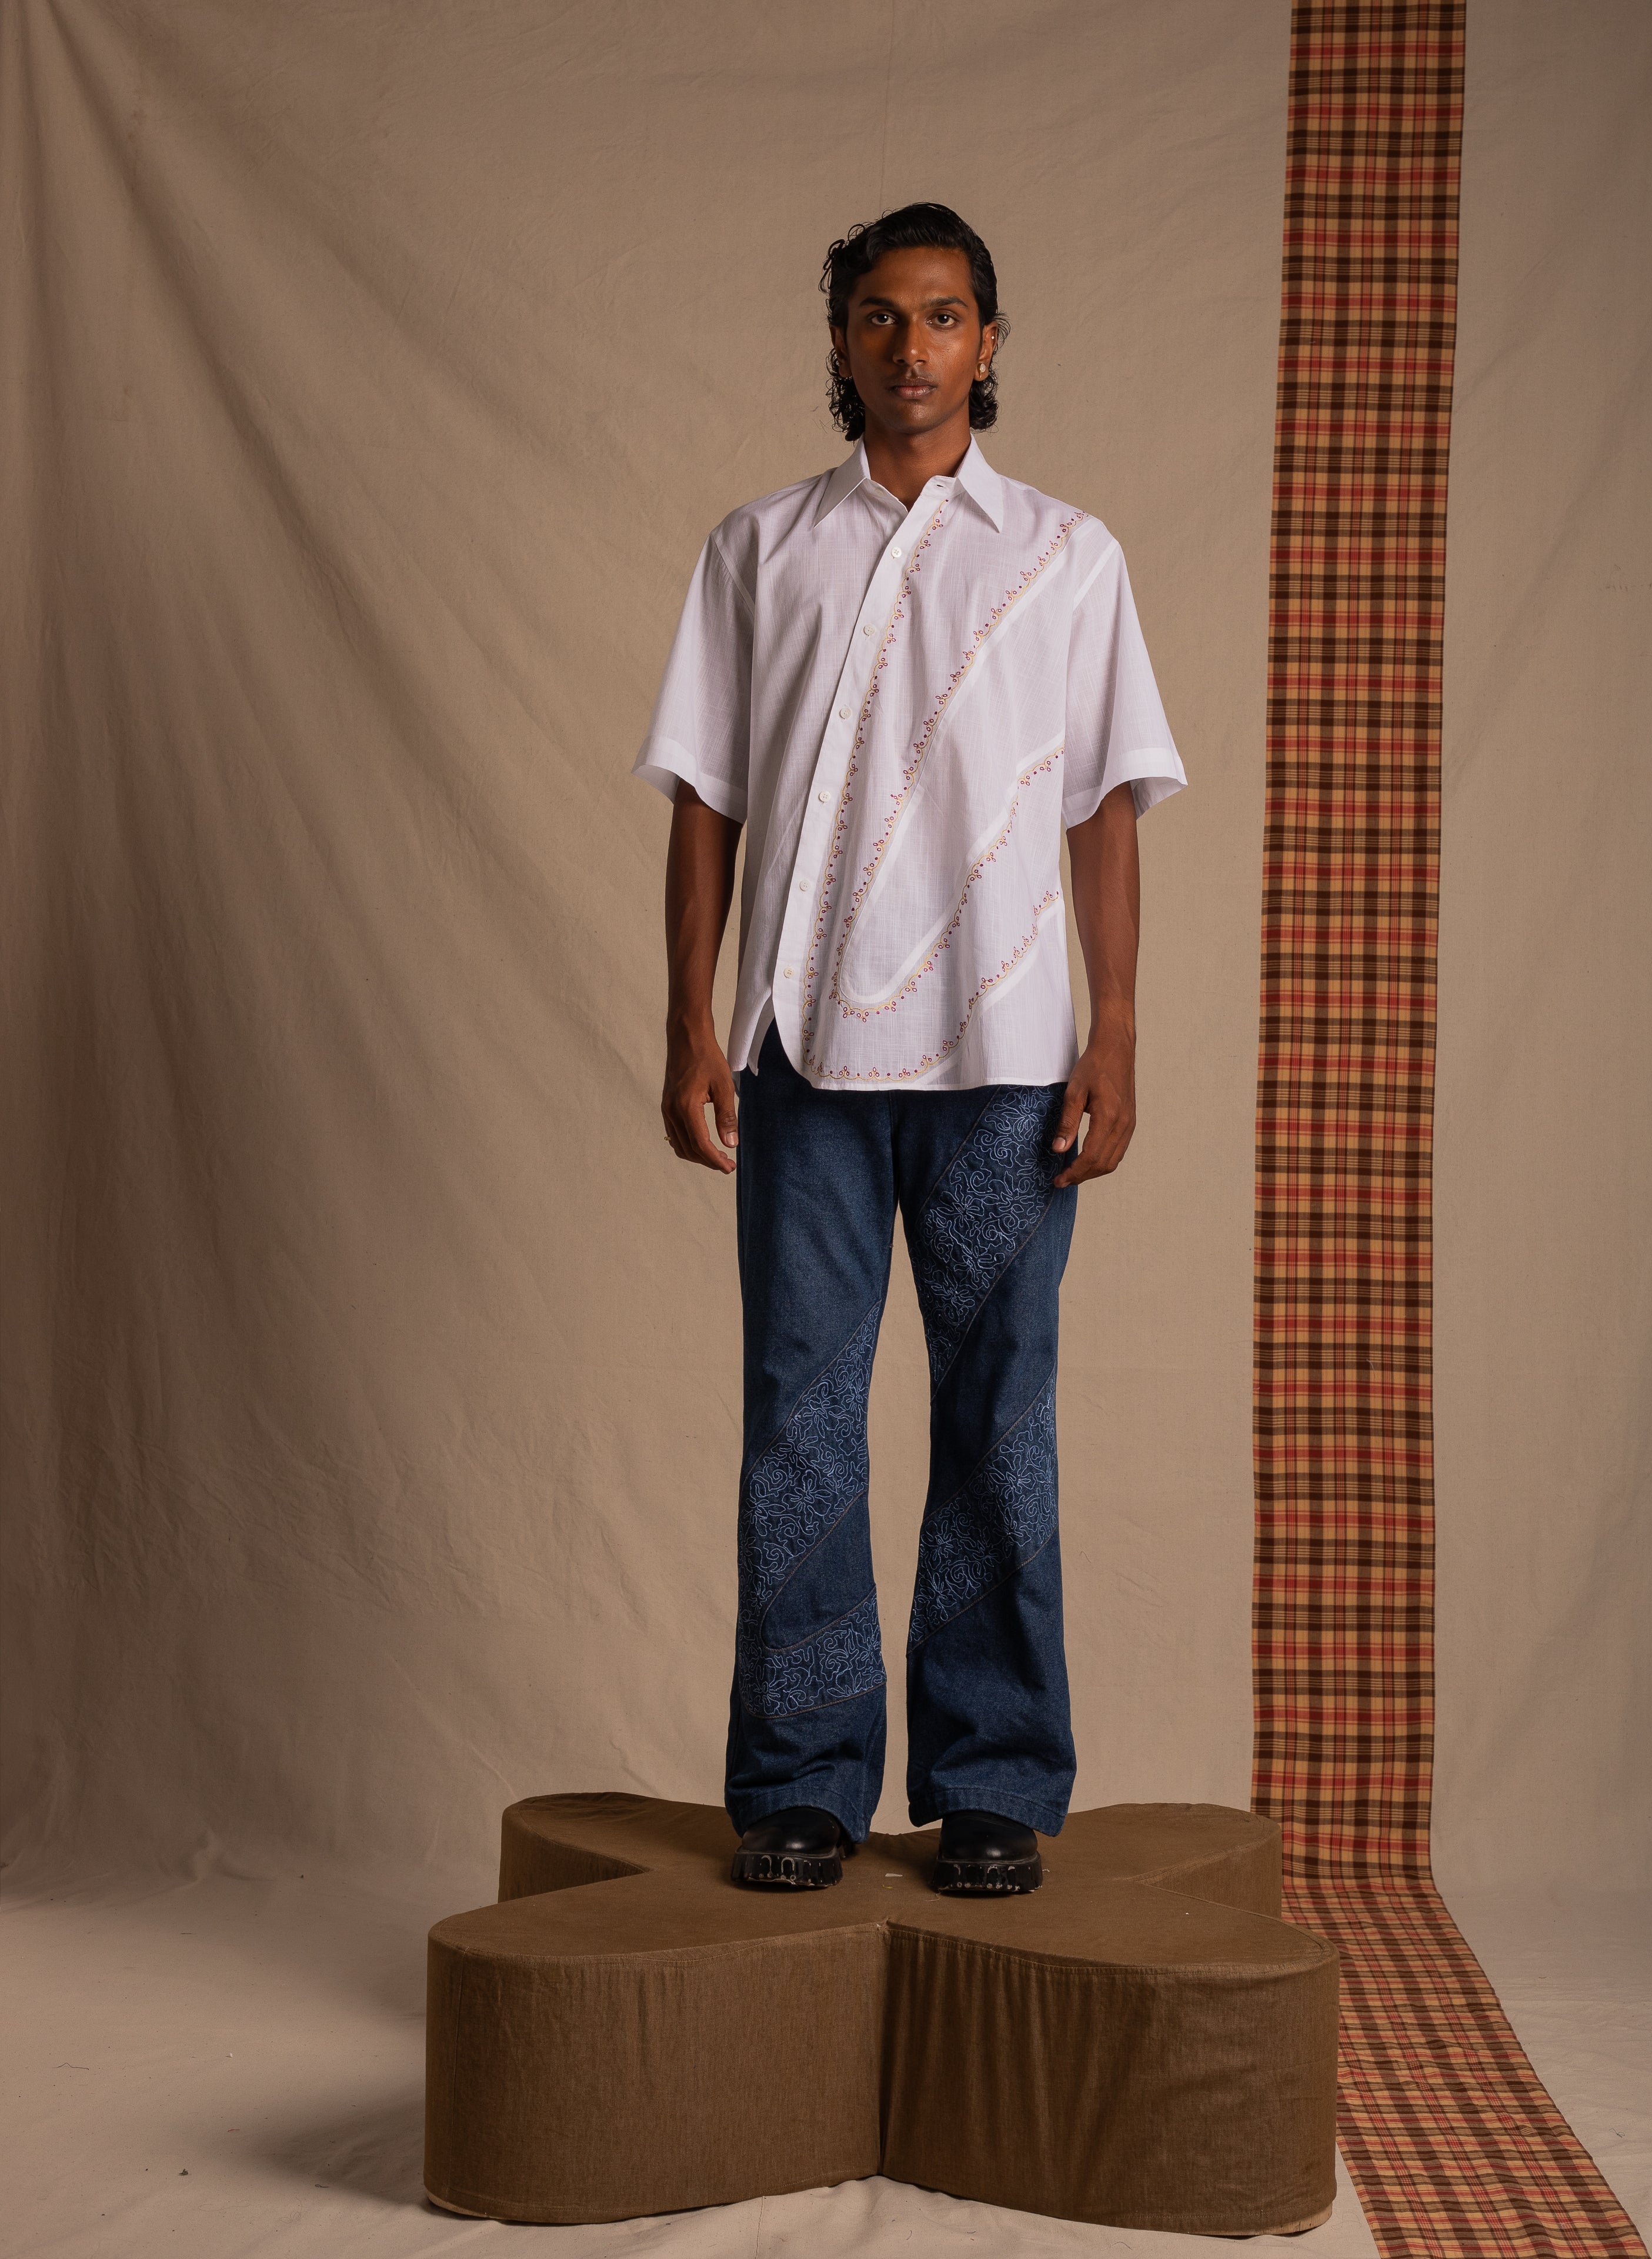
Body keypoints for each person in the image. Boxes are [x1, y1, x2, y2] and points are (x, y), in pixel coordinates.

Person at [633, 202, 1184, 1895]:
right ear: (843, 343)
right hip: (805, 1062)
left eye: (942, 317)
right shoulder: (760, 550)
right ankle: (800, 1779)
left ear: (989, 343)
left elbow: (1103, 806)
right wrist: (692, 1022)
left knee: (997, 1418)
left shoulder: (1069, 557)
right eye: (878, 318)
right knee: (799, 1418)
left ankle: (996, 1779)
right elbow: (706, 801)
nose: (910, 348)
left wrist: (1118, 1032)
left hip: (1010, 1059)